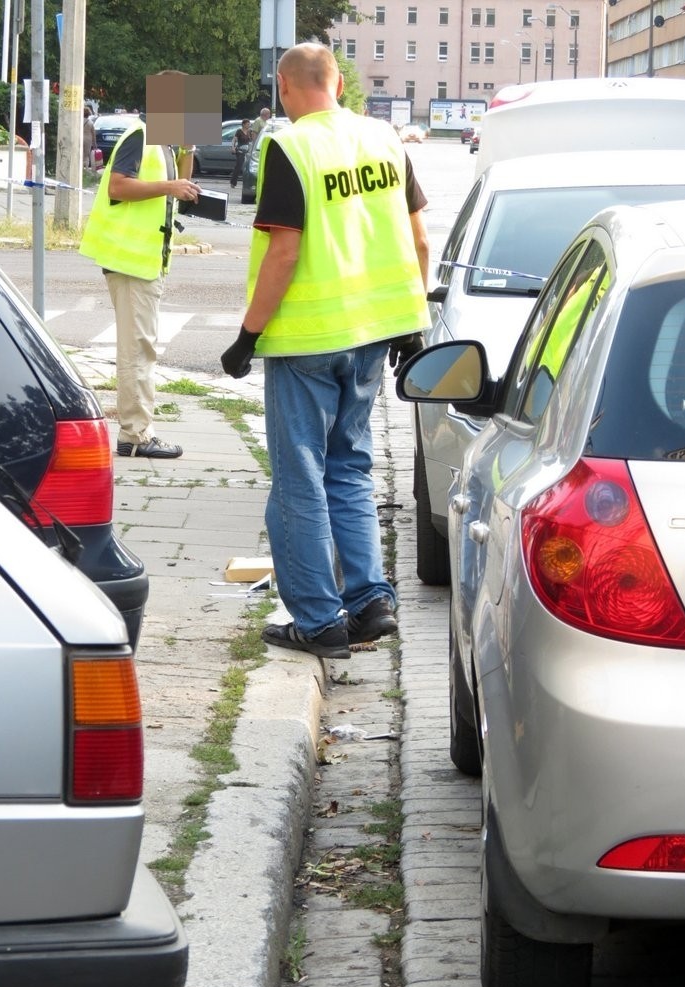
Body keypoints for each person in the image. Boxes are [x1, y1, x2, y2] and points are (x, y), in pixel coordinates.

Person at [220, 42, 430, 659]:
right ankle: (369, 602)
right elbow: (418, 237)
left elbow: (284, 251)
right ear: (338, 82)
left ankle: (317, 620)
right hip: (372, 335)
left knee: (299, 478)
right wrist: (411, 321)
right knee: (349, 469)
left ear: (285, 87)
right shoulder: (386, 140)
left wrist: (247, 336)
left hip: (307, 339)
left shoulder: (289, 146)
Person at [79, 74, 201, 458]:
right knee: (137, 351)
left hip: (144, 259)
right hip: (130, 260)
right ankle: (135, 436)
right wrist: (169, 188)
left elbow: (182, 183)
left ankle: (137, 432)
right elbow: (117, 186)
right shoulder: (140, 135)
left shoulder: (161, 141)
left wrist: (189, 145)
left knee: (140, 348)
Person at [229, 118, 252, 188]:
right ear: (243, 124)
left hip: (247, 151)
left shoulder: (249, 132)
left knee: (248, 168)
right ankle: (233, 183)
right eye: (247, 124)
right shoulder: (239, 131)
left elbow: (251, 140)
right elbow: (234, 140)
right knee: (238, 167)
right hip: (240, 151)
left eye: (249, 124)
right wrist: (233, 147)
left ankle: (248, 184)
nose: (249, 125)